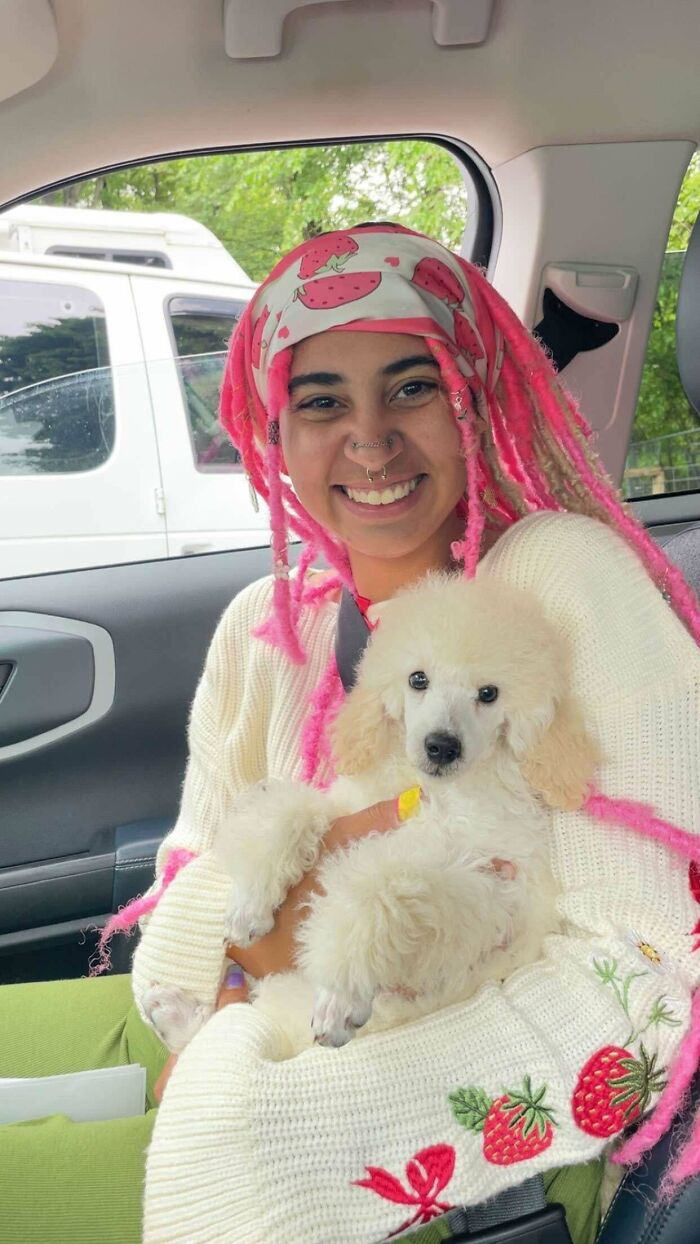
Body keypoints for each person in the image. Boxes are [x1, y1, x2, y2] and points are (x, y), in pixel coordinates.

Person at [1, 222, 699, 1244]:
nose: (369, 439)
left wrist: (292, 1106)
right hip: (238, 1013)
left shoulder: (561, 574)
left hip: (471, 1118)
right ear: (272, 431)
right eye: (321, 400)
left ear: (474, 407)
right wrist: (215, 1004)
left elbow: (647, 956)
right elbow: (199, 859)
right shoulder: (265, 625)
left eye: (413, 388)